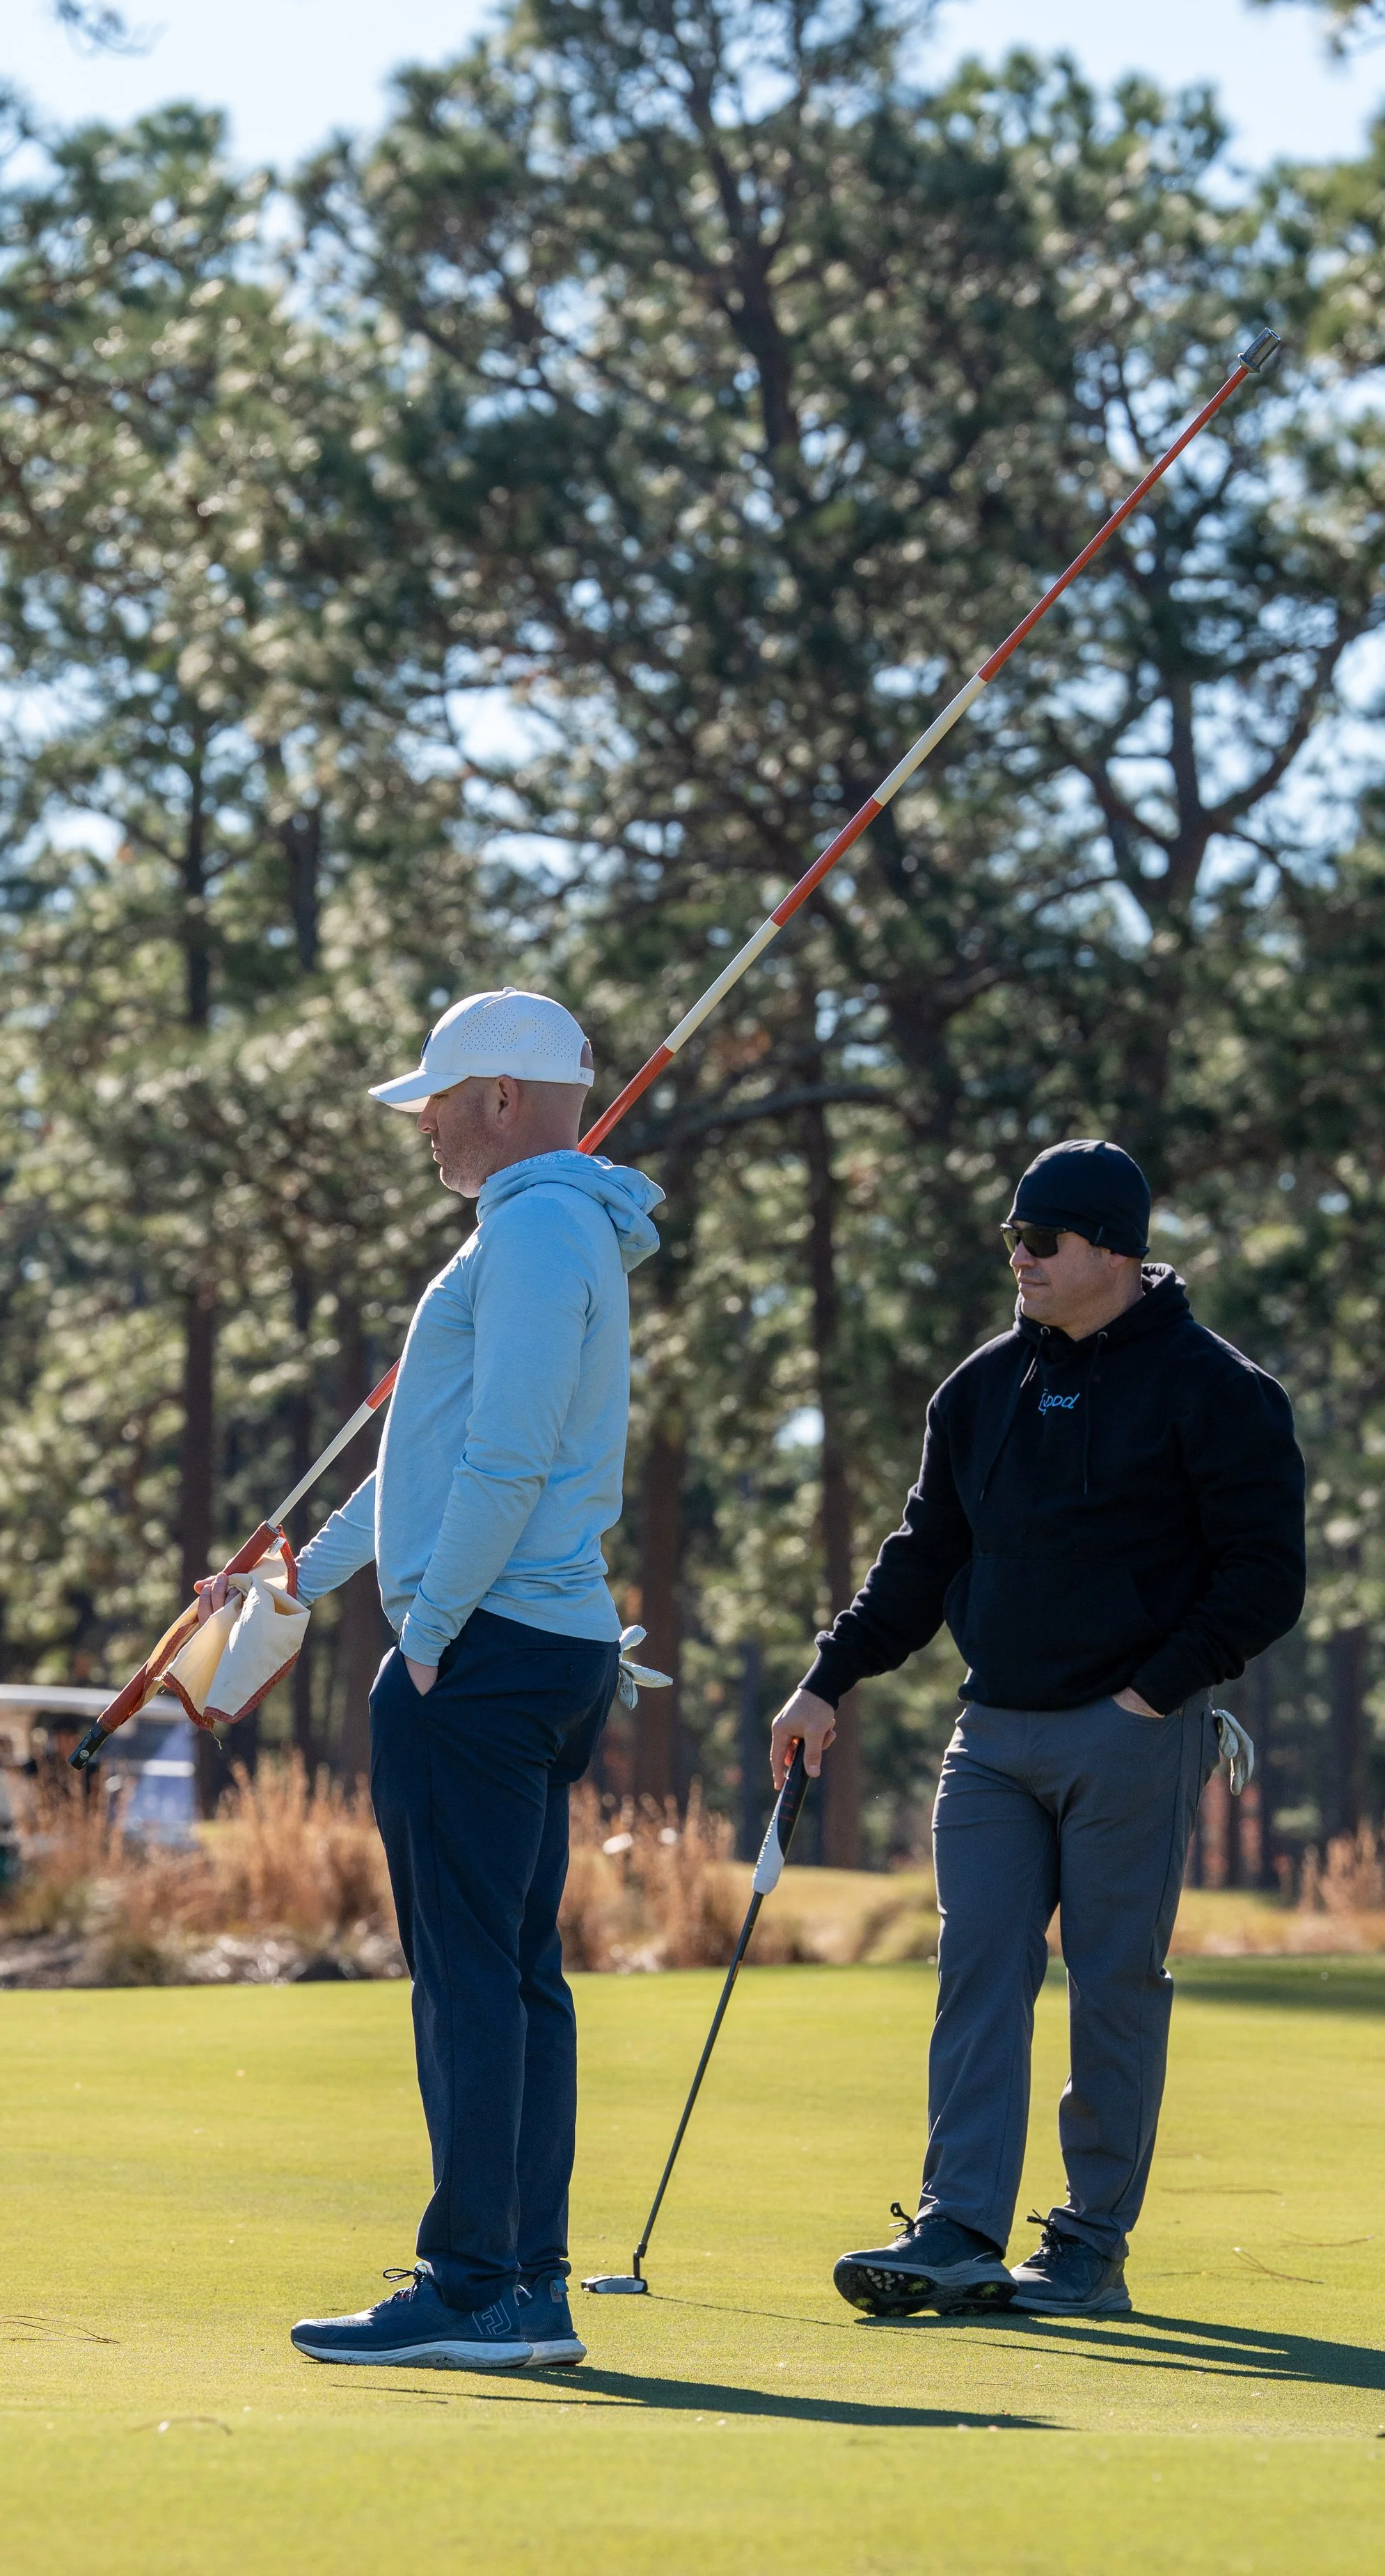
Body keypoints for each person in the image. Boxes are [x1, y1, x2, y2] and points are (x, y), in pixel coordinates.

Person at [199, 989, 662, 2369]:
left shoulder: (528, 1234)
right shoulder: (550, 1229)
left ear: (504, 1099)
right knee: (512, 1978)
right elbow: (422, 1465)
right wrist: (307, 1579)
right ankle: (521, 2285)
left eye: (439, 1103)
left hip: (487, 1653)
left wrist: (426, 1634)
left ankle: (478, 2288)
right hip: (541, 1646)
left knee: (470, 1980)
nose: (424, 1129)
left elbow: (503, 1461)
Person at [770, 1139, 1304, 2319]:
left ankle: (1086, 2243)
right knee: (978, 1966)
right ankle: (959, 2223)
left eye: (1042, 1239)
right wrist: (829, 1678)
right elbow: (922, 1557)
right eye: (1011, 1236)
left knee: (1114, 1983)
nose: (1020, 1257)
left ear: (1113, 1248)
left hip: (1133, 1731)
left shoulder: (1218, 1390)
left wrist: (1151, 1694)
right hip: (995, 1732)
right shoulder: (978, 1391)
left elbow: (1266, 1577)